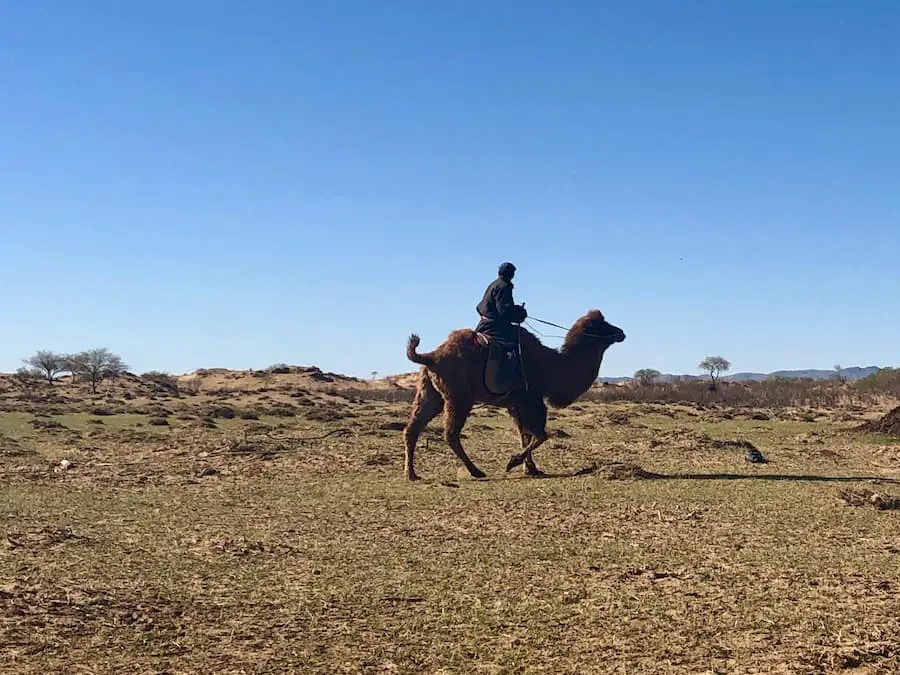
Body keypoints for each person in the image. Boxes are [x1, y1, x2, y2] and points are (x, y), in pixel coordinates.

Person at [475, 262, 527, 345]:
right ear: (511, 274)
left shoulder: (494, 284)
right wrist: (519, 313)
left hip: (484, 324)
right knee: (517, 343)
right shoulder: (504, 286)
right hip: (494, 326)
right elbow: (504, 311)